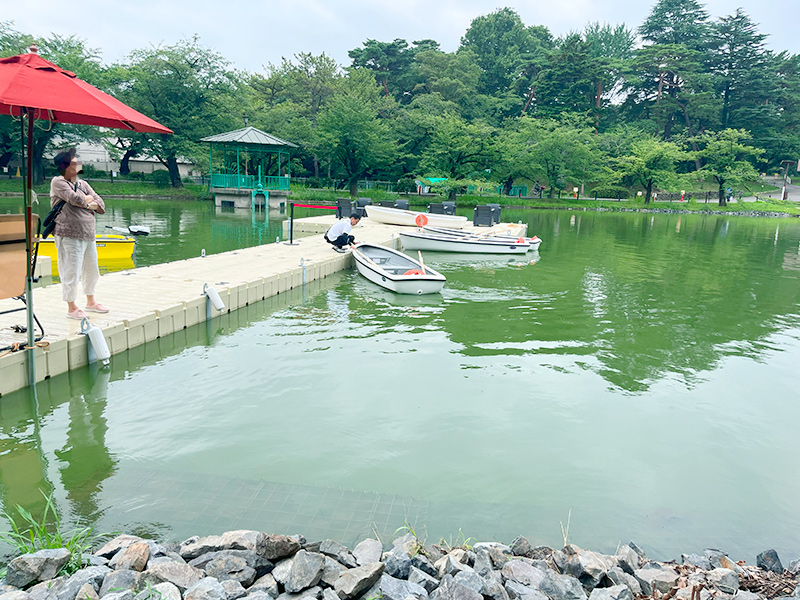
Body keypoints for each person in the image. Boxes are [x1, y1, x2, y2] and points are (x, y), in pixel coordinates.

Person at [50, 148, 108, 319]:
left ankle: (91, 301)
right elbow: (76, 199)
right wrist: (87, 201)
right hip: (68, 232)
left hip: (88, 232)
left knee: (91, 269)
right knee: (71, 269)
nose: (78, 163)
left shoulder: (82, 184)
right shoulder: (58, 182)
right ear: (65, 166)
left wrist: (87, 202)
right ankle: (71, 307)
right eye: (74, 161)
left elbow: (100, 203)